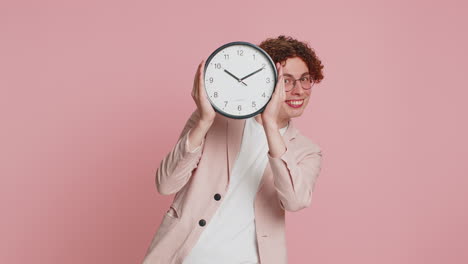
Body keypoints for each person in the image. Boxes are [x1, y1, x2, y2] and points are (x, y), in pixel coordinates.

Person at [142, 35, 325, 264]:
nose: (299, 90)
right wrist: (203, 121)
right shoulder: (214, 119)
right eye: (286, 81)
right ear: (266, 82)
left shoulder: (307, 151)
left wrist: (270, 124)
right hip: (185, 256)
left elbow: (295, 201)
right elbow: (166, 184)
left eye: (305, 79)